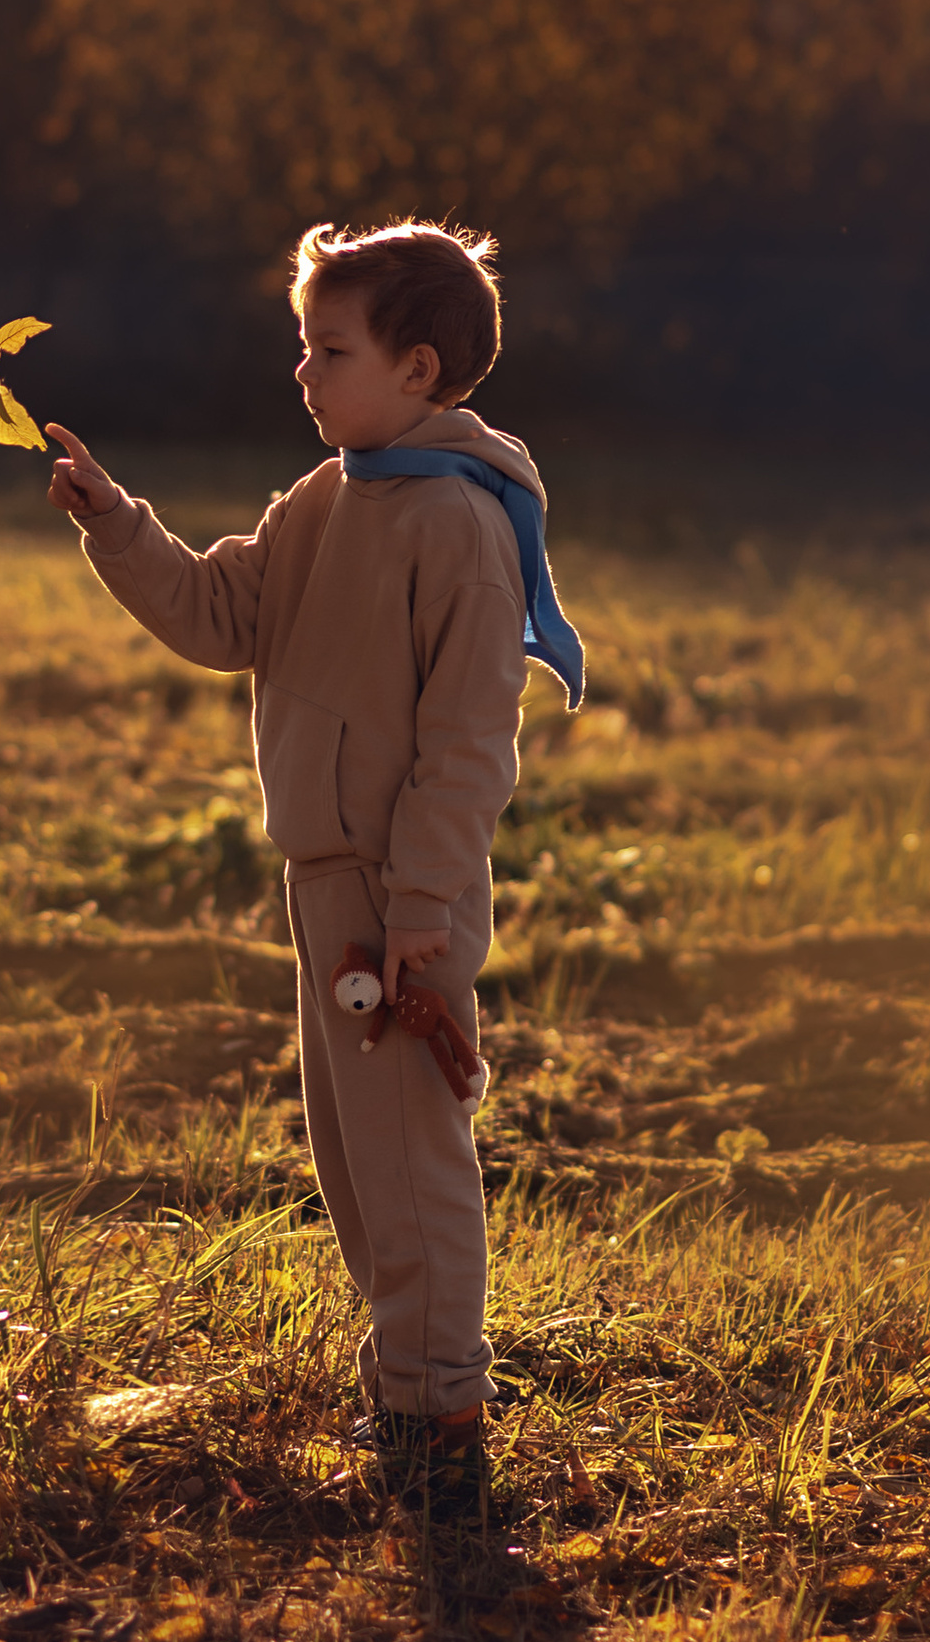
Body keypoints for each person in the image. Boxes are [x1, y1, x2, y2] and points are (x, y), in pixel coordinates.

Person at [44, 218, 583, 1523]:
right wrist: (119, 524)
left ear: (418, 366)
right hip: (324, 883)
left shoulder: (458, 525)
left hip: (401, 898)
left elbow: (466, 746)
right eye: (300, 343)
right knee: (356, 1165)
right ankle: (406, 1387)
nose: (302, 370)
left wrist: (417, 924)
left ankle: (440, 1417)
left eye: (328, 347)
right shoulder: (326, 498)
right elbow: (221, 613)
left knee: (413, 1166)